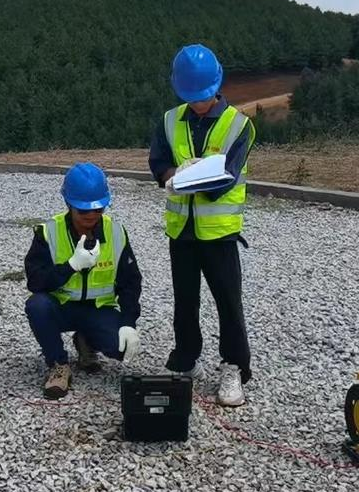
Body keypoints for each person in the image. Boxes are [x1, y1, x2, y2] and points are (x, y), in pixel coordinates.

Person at [149, 43, 256, 407]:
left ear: (217, 87)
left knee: (228, 302)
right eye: (191, 97)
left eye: (204, 96)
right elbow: (158, 161)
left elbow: (226, 177)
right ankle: (184, 358)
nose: (198, 103)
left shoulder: (239, 125)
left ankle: (234, 367)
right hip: (181, 232)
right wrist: (170, 176)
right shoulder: (168, 120)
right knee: (185, 301)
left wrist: (195, 177)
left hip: (219, 234)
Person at [23, 162, 143, 399]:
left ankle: (86, 341)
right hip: (61, 307)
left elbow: (130, 282)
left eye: (97, 210)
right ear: (69, 205)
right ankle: (58, 364)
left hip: (99, 310)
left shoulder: (116, 232)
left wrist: (129, 322)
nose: (91, 216)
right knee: (37, 305)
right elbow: (35, 282)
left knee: (120, 348)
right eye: (83, 211)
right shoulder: (49, 232)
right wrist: (71, 266)